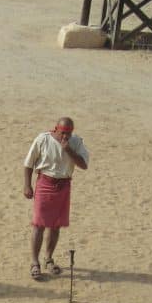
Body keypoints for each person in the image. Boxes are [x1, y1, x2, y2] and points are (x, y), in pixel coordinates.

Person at [22, 117, 89, 280]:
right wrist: (27, 185)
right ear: (56, 129)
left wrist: (69, 150)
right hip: (45, 183)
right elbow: (29, 163)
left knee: (55, 226)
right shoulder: (43, 139)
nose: (65, 136)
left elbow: (84, 165)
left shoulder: (76, 142)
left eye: (69, 133)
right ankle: (35, 262)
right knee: (39, 224)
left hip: (64, 185)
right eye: (63, 132)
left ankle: (48, 259)